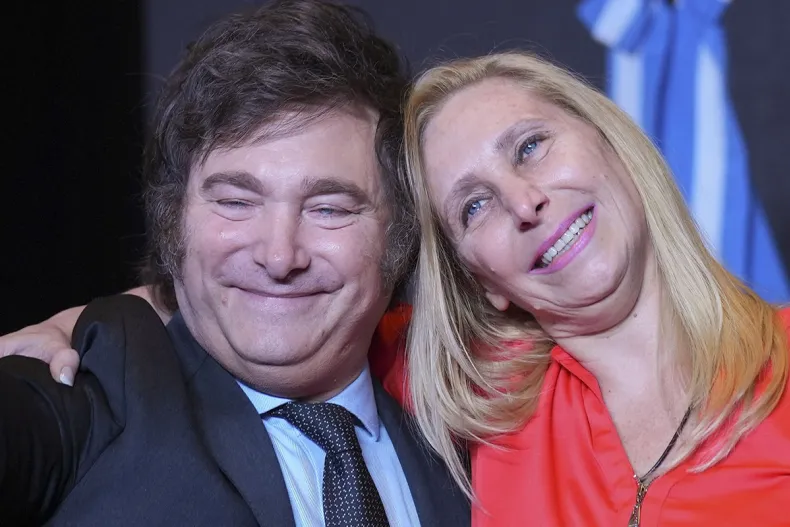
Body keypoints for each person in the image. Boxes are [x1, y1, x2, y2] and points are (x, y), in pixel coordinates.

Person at [0, 1, 470, 526]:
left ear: (401, 234)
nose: (279, 256)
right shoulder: (99, 380)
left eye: (329, 209)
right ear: (174, 221)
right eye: (235, 202)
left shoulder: (469, 434)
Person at [398, 52, 790, 526]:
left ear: (611, 143)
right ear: (480, 281)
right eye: (475, 206)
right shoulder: (484, 404)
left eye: (530, 147)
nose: (523, 203)